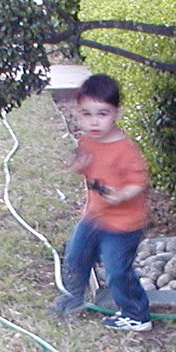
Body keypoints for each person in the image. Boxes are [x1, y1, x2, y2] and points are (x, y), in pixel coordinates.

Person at [52, 74, 153, 332]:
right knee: (75, 257)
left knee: (117, 270)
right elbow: (86, 168)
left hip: (123, 225)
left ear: (116, 113)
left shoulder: (125, 149)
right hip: (94, 217)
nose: (94, 121)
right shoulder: (88, 141)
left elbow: (139, 181)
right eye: (86, 114)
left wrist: (120, 195)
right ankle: (72, 300)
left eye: (102, 114)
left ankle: (136, 314)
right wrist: (78, 165)